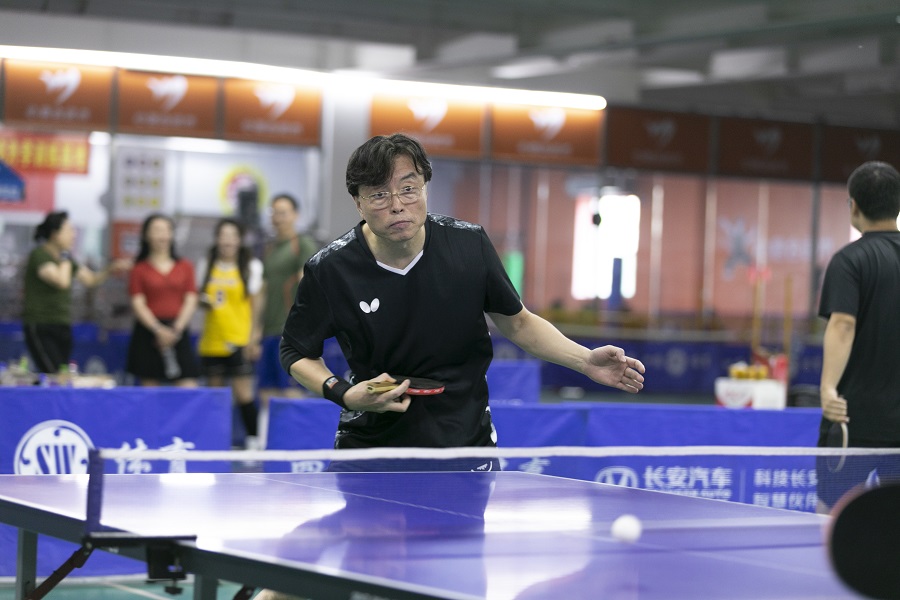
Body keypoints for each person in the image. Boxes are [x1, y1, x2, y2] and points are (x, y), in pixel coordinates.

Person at [278, 133, 645, 468]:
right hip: (370, 443)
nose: (397, 205)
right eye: (379, 195)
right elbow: (295, 351)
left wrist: (585, 361)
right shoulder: (331, 269)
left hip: (464, 441)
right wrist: (344, 394)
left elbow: (518, 322)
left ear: (425, 188)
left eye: (409, 189)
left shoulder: (469, 246)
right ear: (359, 204)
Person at [817, 160, 900, 510]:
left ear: (854, 206)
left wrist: (827, 388)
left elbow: (842, 325)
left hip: (851, 418)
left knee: (831, 514)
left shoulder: (850, 260)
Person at [22, 211, 130, 373]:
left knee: (63, 371)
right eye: (69, 230)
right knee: (53, 373)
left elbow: (90, 280)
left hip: (63, 323)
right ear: (55, 234)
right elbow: (62, 281)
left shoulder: (66, 260)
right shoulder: (40, 255)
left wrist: (110, 269)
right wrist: (65, 255)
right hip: (40, 324)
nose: (73, 235)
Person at [255, 193, 319, 445]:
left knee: (292, 391)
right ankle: (276, 447)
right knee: (266, 392)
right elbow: (263, 291)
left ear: (295, 215)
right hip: (268, 331)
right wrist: (255, 330)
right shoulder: (270, 249)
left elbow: (308, 283)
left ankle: (300, 446)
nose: (277, 218)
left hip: (290, 332)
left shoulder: (302, 244)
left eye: (283, 212)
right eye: (274, 213)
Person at [196, 218, 264, 448]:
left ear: (239, 240)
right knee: (215, 395)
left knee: (244, 394)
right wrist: (204, 301)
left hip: (239, 339)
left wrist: (254, 338)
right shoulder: (206, 265)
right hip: (212, 340)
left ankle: (254, 441)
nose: (227, 241)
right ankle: (215, 442)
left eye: (232, 236)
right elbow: (199, 299)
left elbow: (257, 306)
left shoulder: (251, 267)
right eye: (223, 235)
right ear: (217, 239)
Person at [125, 213, 200, 387]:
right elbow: (138, 303)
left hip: (178, 331)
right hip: (148, 332)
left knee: (188, 388)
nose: (162, 235)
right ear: (146, 236)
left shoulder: (185, 266)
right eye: (156, 230)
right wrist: (158, 329)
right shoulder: (139, 269)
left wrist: (176, 329)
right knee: (149, 392)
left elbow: (191, 298)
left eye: (166, 230)